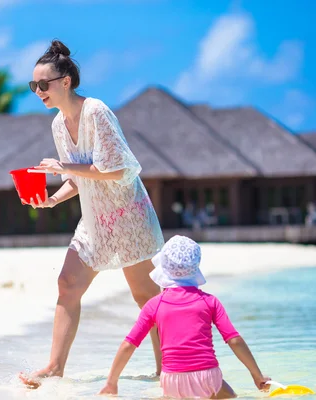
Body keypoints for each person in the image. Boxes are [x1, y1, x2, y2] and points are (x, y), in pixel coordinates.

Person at [18, 39, 165, 388]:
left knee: (145, 295)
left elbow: (116, 170)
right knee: (67, 283)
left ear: (65, 82)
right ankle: (54, 366)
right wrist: (54, 199)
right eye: (33, 86)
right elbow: (78, 178)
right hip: (95, 218)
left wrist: (64, 166)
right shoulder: (57, 124)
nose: (39, 91)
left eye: (44, 84)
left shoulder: (96, 111)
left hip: (128, 214)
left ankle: (167, 369)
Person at [98, 235, 271, 398]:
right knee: (232, 397)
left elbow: (129, 344)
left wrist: (111, 382)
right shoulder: (209, 301)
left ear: (163, 268)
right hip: (208, 377)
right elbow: (234, 340)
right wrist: (257, 375)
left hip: (172, 380)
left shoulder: (154, 305)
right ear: (195, 267)